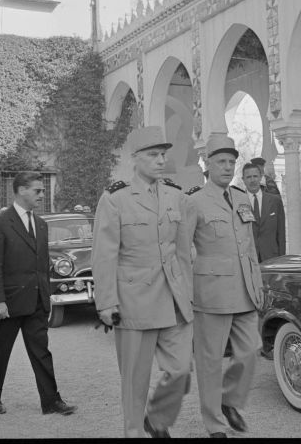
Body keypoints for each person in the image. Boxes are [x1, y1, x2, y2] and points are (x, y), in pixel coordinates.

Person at [91, 126, 193, 438]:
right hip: (134, 302)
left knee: (180, 370)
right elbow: (104, 255)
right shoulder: (115, 199)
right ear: (135, 159)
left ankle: (157, 418)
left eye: (163, 154)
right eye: (153, 155)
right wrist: (106, 302)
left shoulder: (176, 195)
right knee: (135, 382)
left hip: (173, 299)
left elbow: (184, 252)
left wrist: (189, 293)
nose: (161, 160)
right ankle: (134, 431)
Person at [186, 134, 264, 438]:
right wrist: (184, 294)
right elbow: (182, 250)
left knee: (251, 349)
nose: (228, 167)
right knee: (209, 361)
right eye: (221, 161)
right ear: (207, 164)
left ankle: (230, 400)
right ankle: (215, 423)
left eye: (232, 162)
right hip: (212, 292)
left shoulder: (242, 197)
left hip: (245, 290)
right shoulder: (193, 202)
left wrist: (258, 285)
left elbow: (251, 249)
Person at [0, 172, 76, 416]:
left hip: (37, 301)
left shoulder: (42, 224)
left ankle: (51, 401)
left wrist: (47, 296)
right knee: (0, 352)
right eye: (38, 190)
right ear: (21, 190)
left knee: (41, 352)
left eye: (43, 190)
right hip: (10, 303)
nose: (42, 195)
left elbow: (42, 264)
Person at [241, 162, 286, 263]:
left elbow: (281, 233)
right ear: (243, 180)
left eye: (255, 176)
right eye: (248, 177)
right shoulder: (238, 203)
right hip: (248, 259)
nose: (252, 180)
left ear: (261, 177)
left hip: (272, 258)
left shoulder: (275, 201)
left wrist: (282, 259)